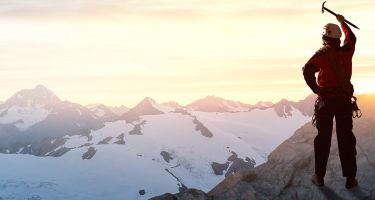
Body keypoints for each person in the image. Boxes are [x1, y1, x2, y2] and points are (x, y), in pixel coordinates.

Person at [302, 14, 358, 189]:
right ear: (337, 37)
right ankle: (350, 179)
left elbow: (307, 71)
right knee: (346, 139)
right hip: (343, 102)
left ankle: (319, 177)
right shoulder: (347, 51)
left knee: (323, 140)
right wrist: (342, 22)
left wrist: (318, 90)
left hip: (325, 103)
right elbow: (352, 37)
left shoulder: (321, 55)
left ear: (324, 37)